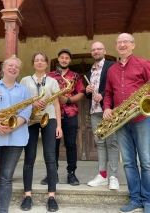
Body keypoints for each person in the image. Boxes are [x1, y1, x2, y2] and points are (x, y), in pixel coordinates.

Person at [103, 33, 150, 213]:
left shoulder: (143, 64)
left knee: (146, 162)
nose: (122, 45)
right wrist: (107, 108)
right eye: (119, 42)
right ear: (116, 46)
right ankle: (135, 198)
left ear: (133, 45)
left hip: (141, 118)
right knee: (129, 162)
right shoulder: (112, 69)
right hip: (120, 121)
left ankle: (148, 199)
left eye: (125, 42)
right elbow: (107, 93)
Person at [20, 52, 62, 212]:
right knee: (29, 158)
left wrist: (59, 126)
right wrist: (32, 103)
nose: (39, 63)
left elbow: (57, 105)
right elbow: (22, 102)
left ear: (46, 64)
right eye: (36, 60)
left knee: (50, 158)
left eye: (42, 60)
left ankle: (52, 197)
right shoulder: (25, 80)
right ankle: (27, 196)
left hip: (49, 117)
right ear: (33, 64)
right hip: (30, 119)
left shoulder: (52, 81)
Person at [0, 55, 32, 213]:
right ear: (3, 68)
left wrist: (14, 126)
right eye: (10, 65)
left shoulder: (24, 90)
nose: (13, 68)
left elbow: (27, 109)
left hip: (15, 138)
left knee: (5, 178)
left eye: (17, 67)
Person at [41, 49, 85, 186]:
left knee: (71, 145)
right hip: (52, 114)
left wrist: (68, 101)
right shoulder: (48, 76)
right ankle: (52, 174)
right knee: (52, 145)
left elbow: (82, 93)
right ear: (58, 59)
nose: (64, 60)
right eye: (62, 57)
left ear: (70, 60)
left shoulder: (76, 76)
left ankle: (71, 173)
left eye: (67, 58)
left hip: (70, 113)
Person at [85, 41, 119, 190]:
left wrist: (103, 95)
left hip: (109, 110)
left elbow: (116, 87)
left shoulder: (112, 66)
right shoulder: (89, 72)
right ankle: (103, 176)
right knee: (99, 143)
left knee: (111, 143)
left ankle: (113, 177)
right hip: (94, 112)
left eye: (99, 49)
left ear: (104, 51)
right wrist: (87, 91)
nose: (96, 51)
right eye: (94, 50)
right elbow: (89, 97)